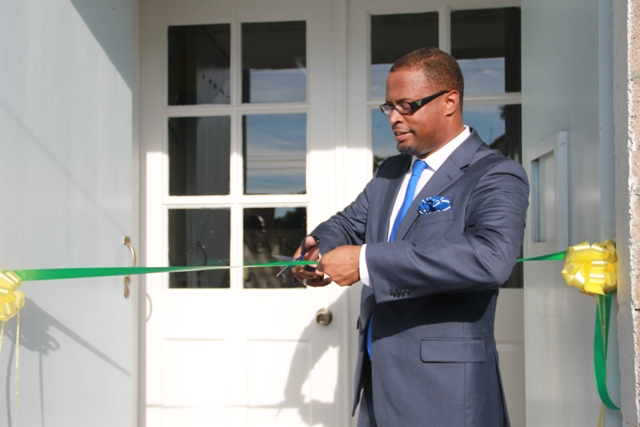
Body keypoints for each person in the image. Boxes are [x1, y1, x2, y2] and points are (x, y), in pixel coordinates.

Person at [291, 47, 529, 426]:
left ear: (450, 101)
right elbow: (349, 223)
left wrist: (365, 262)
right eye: (389, 107)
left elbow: (490, 258)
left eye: (407, 105)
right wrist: (319, 248)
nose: (394, 119)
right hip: (378, 385)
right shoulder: (392, 171)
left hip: (446, 395)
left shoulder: (495, 174)